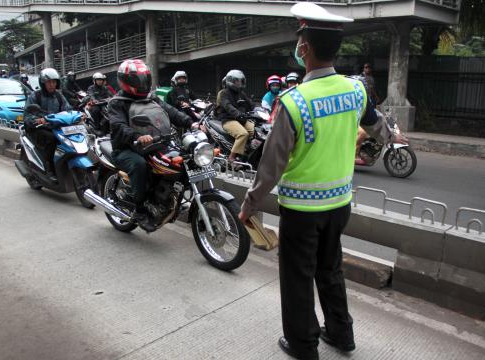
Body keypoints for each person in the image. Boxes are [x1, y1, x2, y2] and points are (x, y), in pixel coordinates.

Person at [238, 3, 407, 360]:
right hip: (339, 205)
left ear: (304, 48)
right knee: (330, 269)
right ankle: (341, 334)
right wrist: (394, 136)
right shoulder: (355, 90)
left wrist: (249, 204)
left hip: (301, 211)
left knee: (298, 278)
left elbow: (271, 167)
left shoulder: (294, 102)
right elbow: (378, 126)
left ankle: (302, 345)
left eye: (299, 43)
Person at [107, 59, 197, 232]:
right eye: (137, 80)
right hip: (125, 148)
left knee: (178, 161)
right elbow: (118, 125)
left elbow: (170, 111)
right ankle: (139, 209)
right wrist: (136, 136)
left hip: (154, 144)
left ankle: (165, 199)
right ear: (126, 81)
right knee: (140, 165)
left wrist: (190, 122)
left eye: (144, 79)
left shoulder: (151, 97)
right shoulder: (117, 102)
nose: (142, 83)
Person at [23, 68, 71, 178]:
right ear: (43, 83)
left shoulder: (59, 96)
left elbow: (68, 109)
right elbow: (27, 115)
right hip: (39, 128)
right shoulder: (35, 96)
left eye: (54, 82)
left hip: (56, 127)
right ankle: (49, 167)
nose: (51, 85)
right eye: (49, 82)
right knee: (52, 139)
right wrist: (37, 120)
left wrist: (78, 115)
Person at [215, 69, 254, 163]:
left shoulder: (241, 93)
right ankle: (231, 157)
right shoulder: (223, 93)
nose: (239, 83)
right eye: (236, 81)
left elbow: (251, 104)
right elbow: (228, 106)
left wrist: (259, 109)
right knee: (242, 134)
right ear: (230, 81)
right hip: (228, 120)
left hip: (241, 119)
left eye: (241, 81)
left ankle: (246, 152)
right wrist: (237, 114)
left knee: (255, 131)